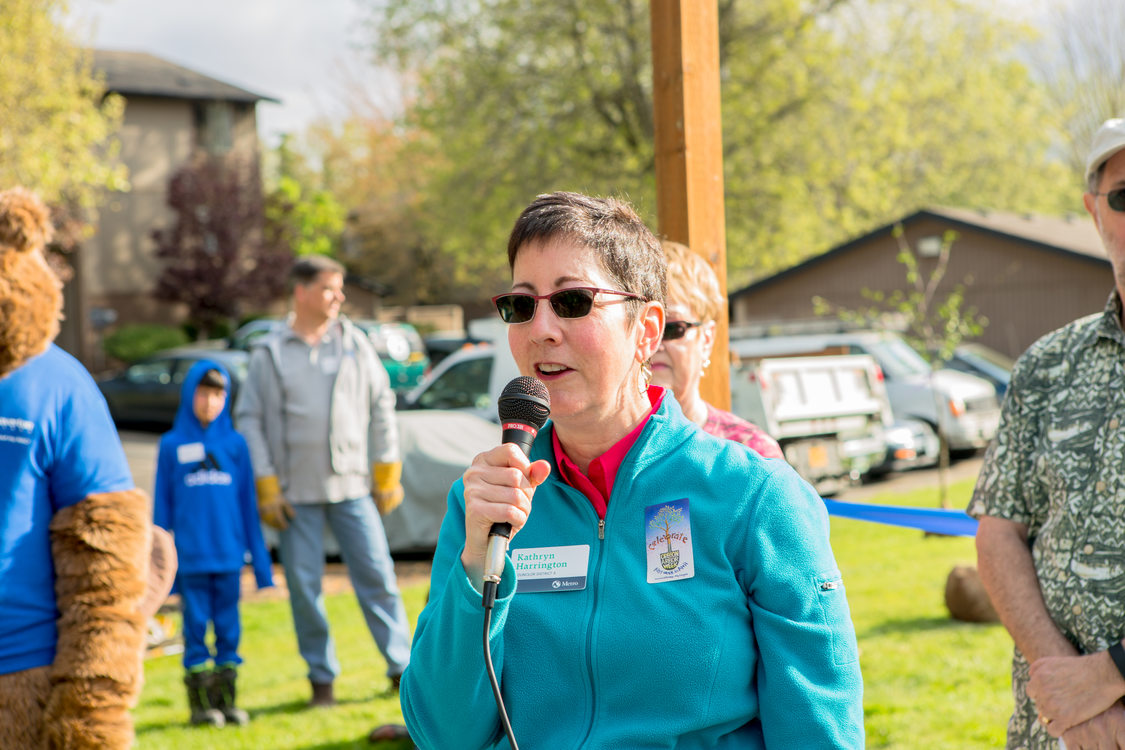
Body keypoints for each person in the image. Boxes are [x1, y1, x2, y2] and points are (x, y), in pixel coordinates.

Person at [400, 191, 864, 748]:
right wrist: (477, 568)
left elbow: (820, 729)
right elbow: (441, 733)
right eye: (522, 306)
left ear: (646, 330)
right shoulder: (483, 505)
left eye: (572, 301)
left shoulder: (755, 496)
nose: (541, 328)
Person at [970, 117, 1125, 749]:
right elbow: (999, 532)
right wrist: (1064, 686)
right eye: (1124, 194)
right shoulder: (1044, 366)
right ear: (1094, 211)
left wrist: (1111, 675)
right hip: (1054, 728)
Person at [235, 254, 411, 708]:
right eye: (330, 289)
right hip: (294, 496)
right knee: (305, 590)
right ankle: (322, 682)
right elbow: (249, 419)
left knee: (378, 578)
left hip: (353, 487)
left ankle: (402, 671)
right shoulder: (268, 352)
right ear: (301, 292)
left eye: (340, 289)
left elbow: (381, 406)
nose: (340, 297)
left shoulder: (354, 343)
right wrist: (266, 484)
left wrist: (386, 469)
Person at [153, 361, 274, 727]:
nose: (210, 402)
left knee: (228, 628)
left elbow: (248, 508)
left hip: (228, 559)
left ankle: (227, 703)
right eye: (204, 393)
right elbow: (161, 511)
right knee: (194, 628)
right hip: (191, 561)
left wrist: (263, 569)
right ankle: (200, 707)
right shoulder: (171, 445)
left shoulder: (235, 445)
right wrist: (160, 573)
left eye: (219, 394)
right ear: (190, 394)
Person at [650, 240, 784, 459]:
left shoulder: (751, 451)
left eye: (673, 328)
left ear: (707, 339)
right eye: (642, 327)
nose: (654, 343)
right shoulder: (591, 449)